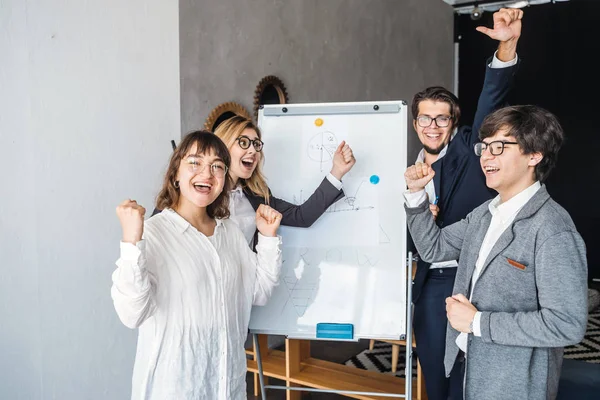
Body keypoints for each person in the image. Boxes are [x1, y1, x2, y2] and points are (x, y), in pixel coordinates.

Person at [404, 105, 588, 399]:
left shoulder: (553, 229)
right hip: (466, 369)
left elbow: (566, 324)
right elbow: (432, 248)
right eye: (485, 146)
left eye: (499, 146)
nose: (486, 156)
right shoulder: (485, 214)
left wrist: (478, 322)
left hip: (511, 385)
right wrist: (415, 195)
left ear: (534, 155)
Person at [111, 130, 283, 400]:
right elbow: (132, 314)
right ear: (175, 174)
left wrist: (268, 238)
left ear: (224, 179)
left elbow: (259, 293)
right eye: (195, 162)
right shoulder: (153, 234)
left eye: (217, 166)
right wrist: (131, 241)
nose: (207, 173)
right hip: (175, 390)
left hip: (228, 388)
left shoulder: (231, 234)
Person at [408, 8, 523, 399]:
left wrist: (506, 45)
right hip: (430, 287)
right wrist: (419, 215)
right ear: (415, 124)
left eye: (442, 119)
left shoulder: (473, 152)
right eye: (425, 119)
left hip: (476, 285)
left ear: (454, 124)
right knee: (436, 386)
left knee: (474, 383)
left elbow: (492, 97)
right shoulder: (408, 173)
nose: (433, 127)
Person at [213, 115, 355, 246]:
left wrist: (337, 171)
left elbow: (302, 216)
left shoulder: (258, 196)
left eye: (256, 144)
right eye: (243, 142)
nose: (253, 150)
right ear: (223, 146)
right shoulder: (203, 193)